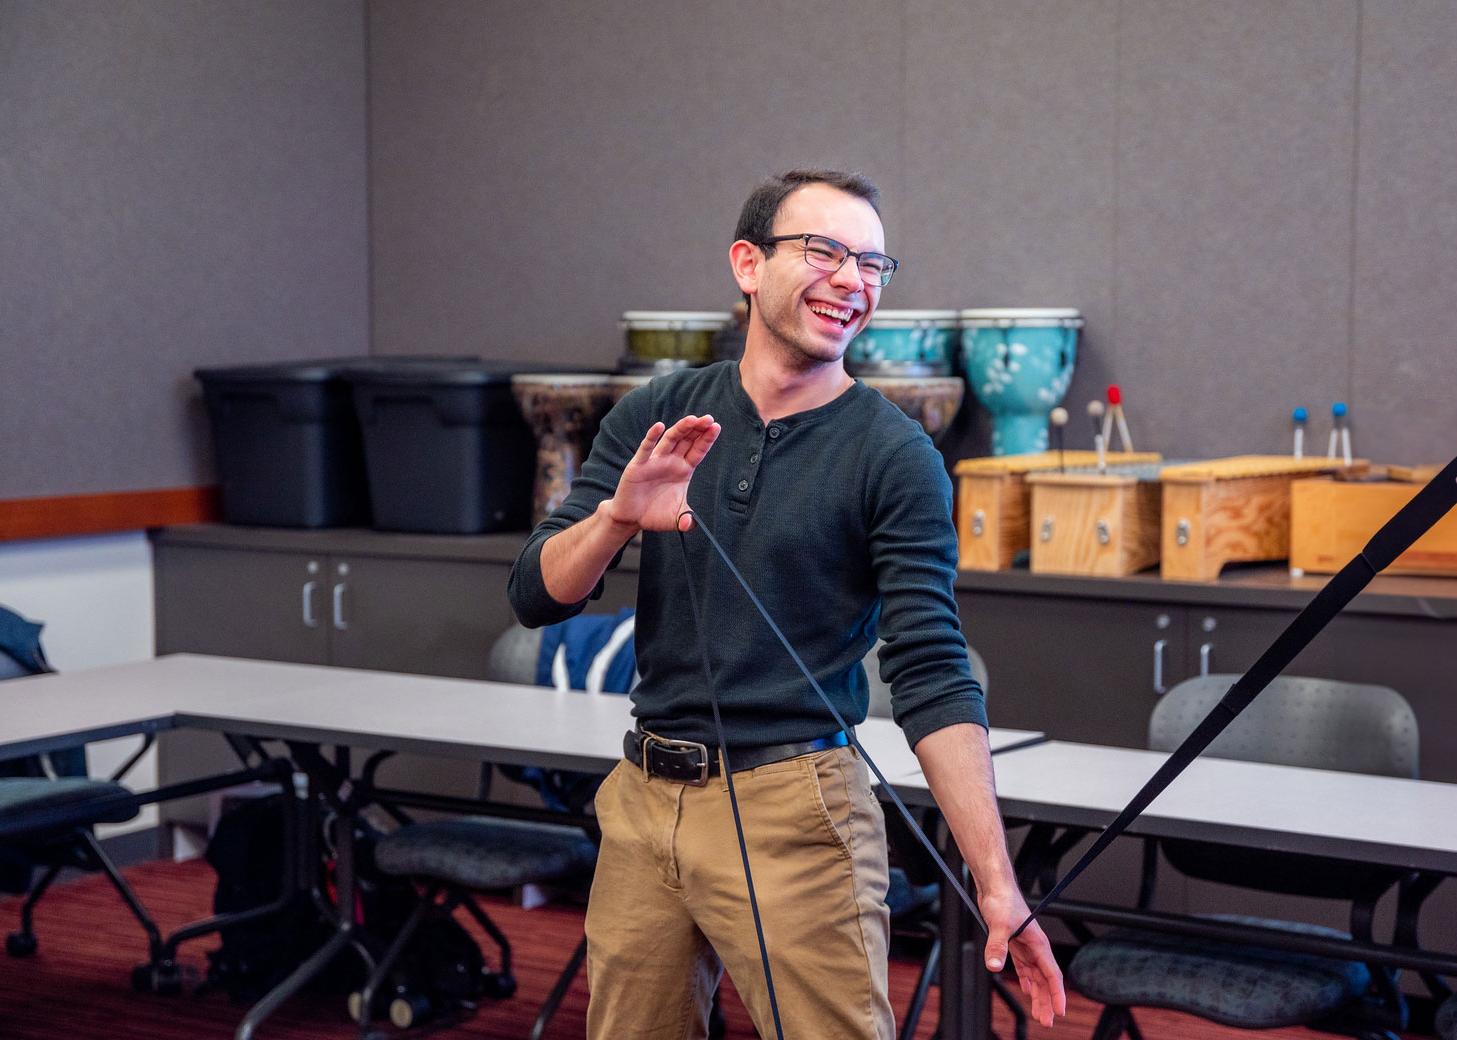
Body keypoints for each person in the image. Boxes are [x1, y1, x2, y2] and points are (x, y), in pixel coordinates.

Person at [508, 169, 1065, 1039]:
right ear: (747, 264)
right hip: (644, 795)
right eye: (826, 252)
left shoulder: (895, 453)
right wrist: (619, 516)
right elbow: (536, 595)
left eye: (873, 264)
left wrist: (997, 883)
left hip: (799, 809)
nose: (853, 280)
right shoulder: (656, 414)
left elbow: (930, 668)